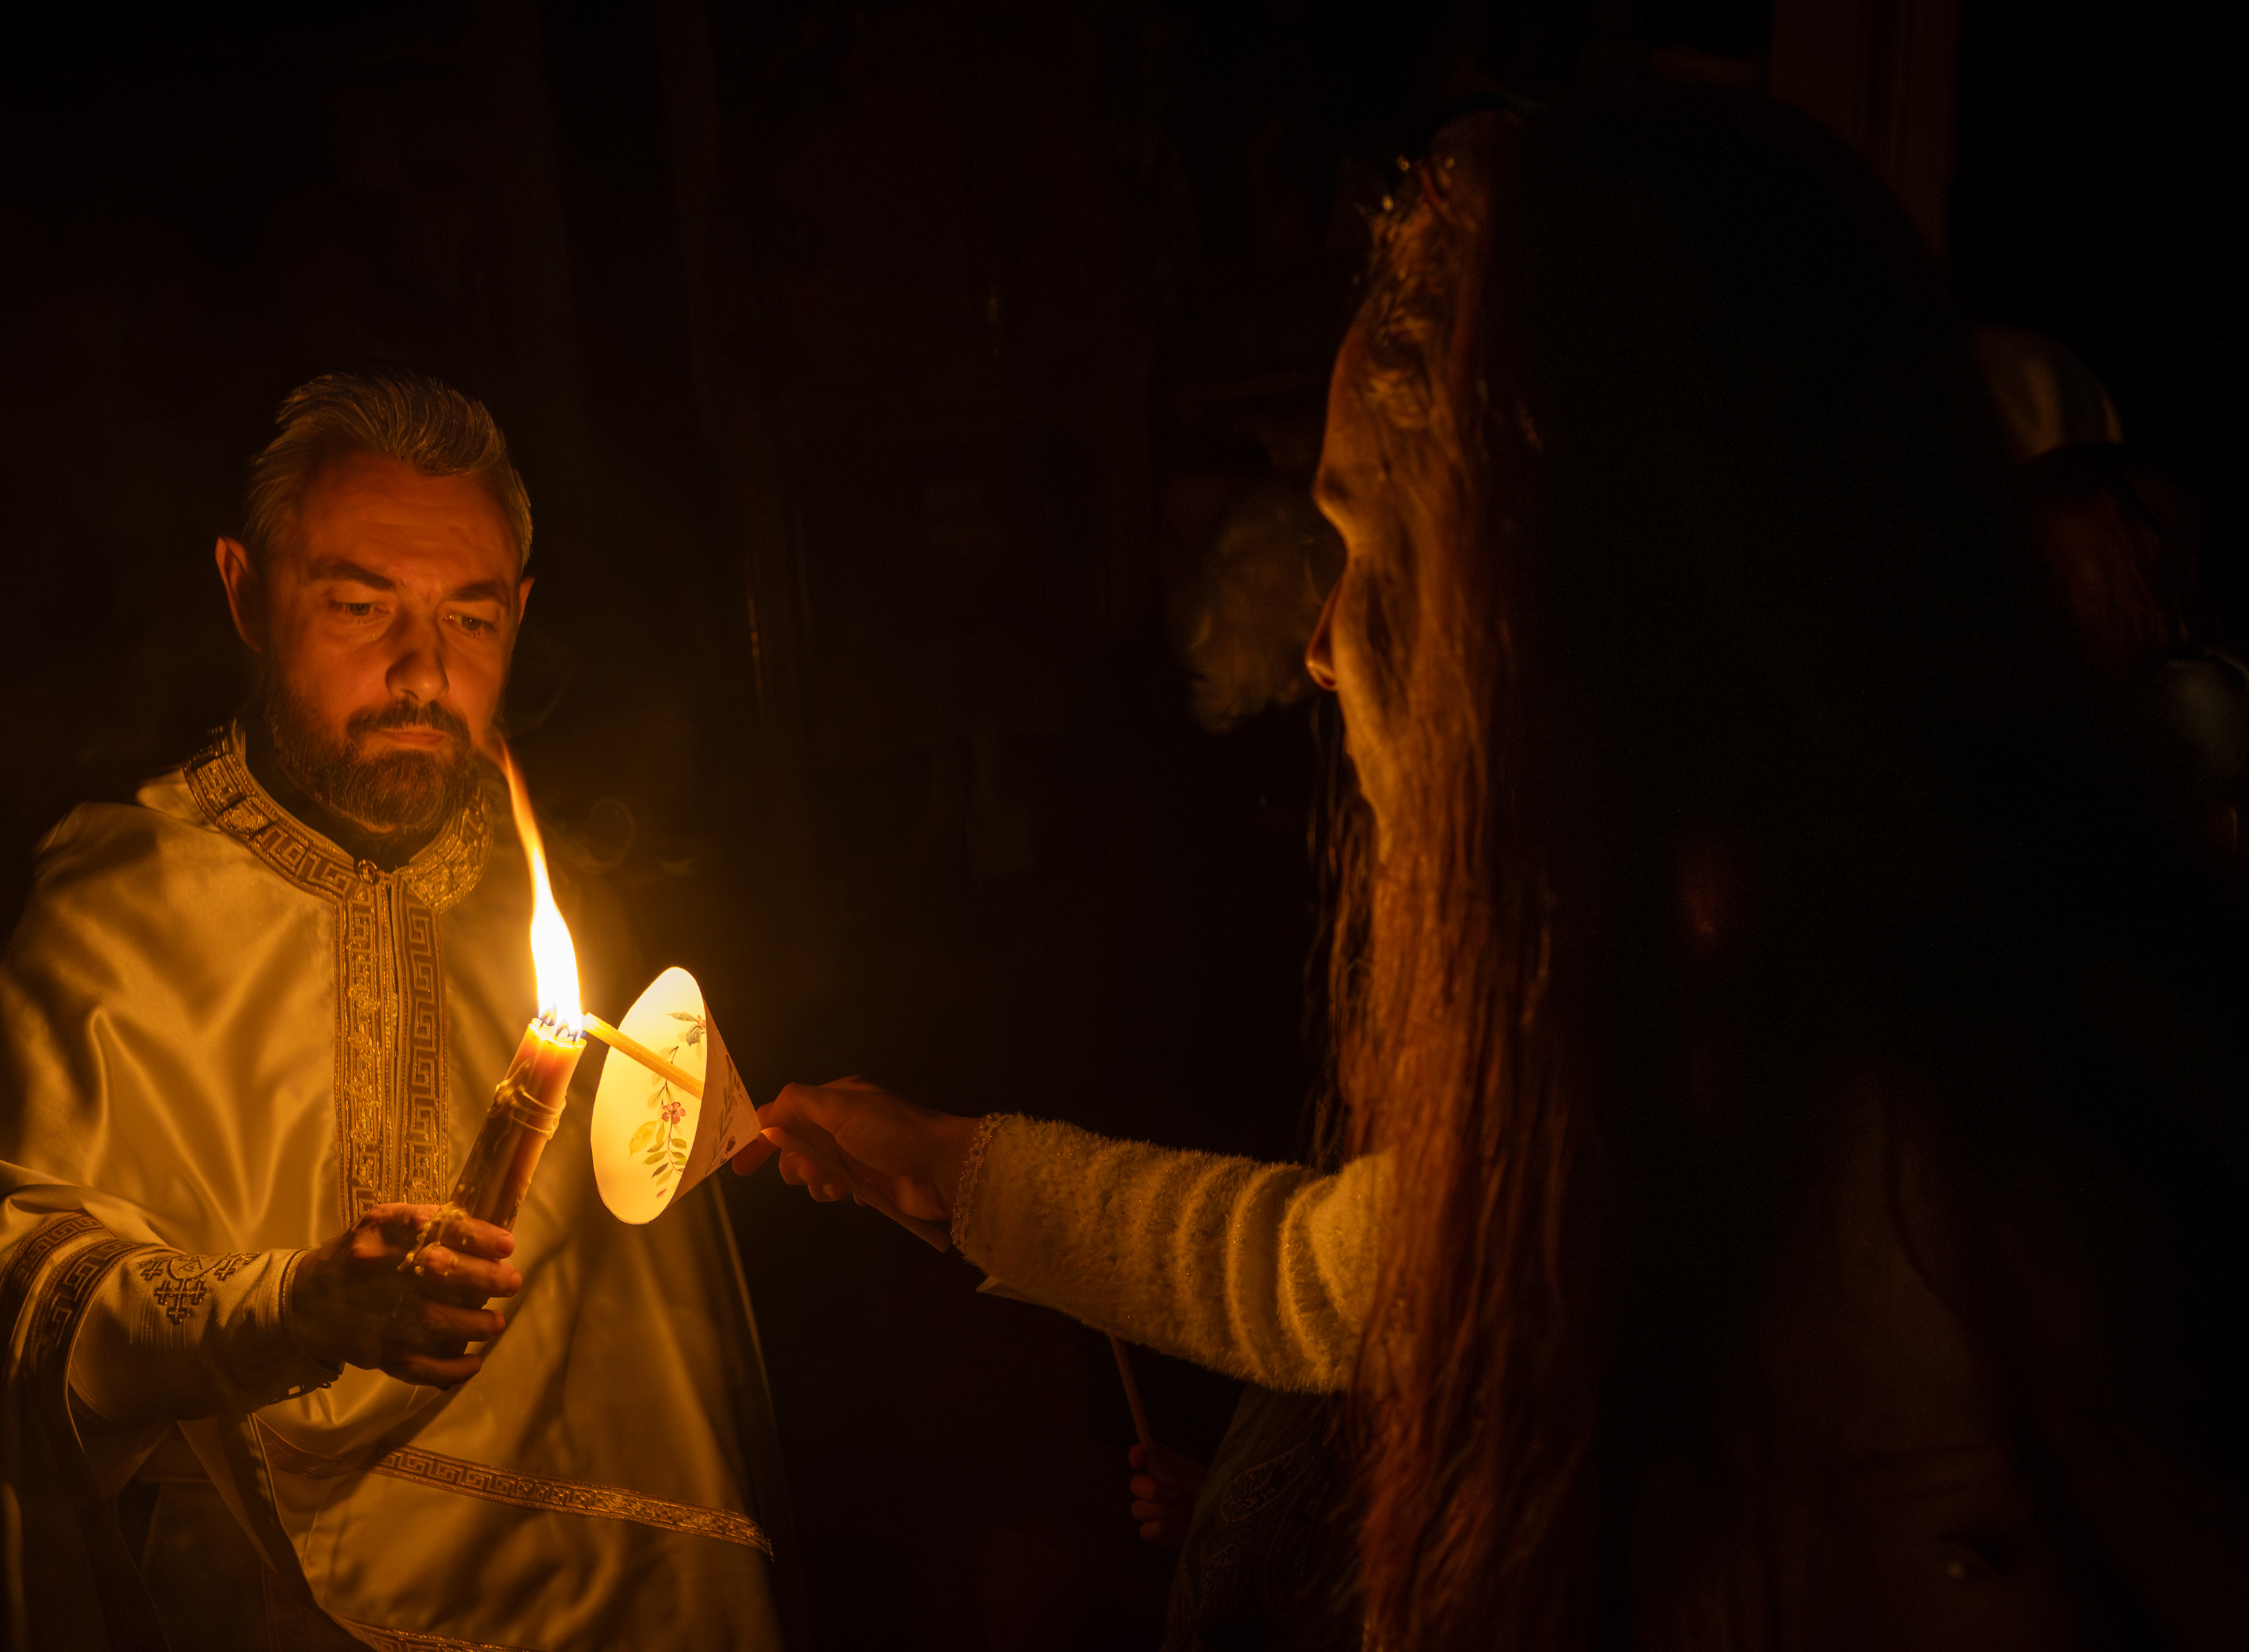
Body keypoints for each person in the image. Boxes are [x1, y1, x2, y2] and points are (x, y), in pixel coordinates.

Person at [741, 96, 2249, 1648]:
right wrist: (942, 1165)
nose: (1320, 652)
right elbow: (1314, 1269)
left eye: (1362, 546)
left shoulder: (1948, 1196)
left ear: (1551, 589)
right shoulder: (1681, 1017)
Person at [0, 371, 791, 1651]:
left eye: (471, 620)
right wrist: (295, 1315)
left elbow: (675, 1379)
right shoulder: (119, 906)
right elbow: (23, 1291)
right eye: (359, 607)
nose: (421, 672)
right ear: (243, 591)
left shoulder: (581, 910)